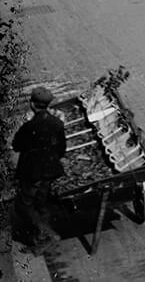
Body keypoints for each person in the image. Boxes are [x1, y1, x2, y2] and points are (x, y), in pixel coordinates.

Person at [12, 85, 74, 279]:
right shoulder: (57, 123)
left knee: (23, 205)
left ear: (32, 104)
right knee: (41, 201)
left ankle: (46, 233)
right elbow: (62, 148)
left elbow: (16, 146)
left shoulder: (30, 127)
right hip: (50, 171)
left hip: (32, 172)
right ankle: (40, 238)